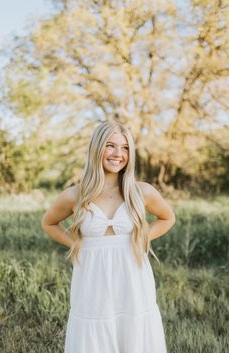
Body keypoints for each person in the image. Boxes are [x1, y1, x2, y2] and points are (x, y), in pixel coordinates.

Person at [41, 120, 176, 353]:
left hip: (133, 280)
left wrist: (143, 237)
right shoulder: (75, 195)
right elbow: (49, 223)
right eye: (111, 146)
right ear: (97, 148)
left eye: (125, 148)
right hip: (92, 282)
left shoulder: (141, 191)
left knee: (134, 332)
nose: (118, 154)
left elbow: (168, 218)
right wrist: (76, 243)